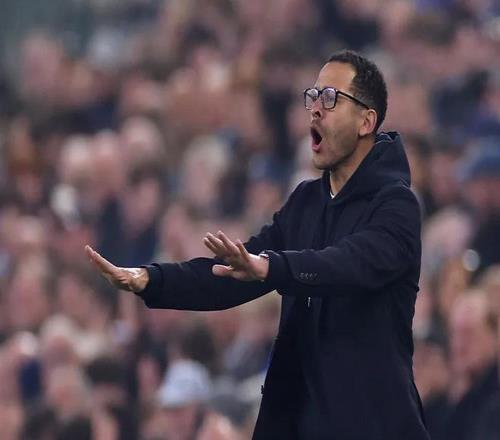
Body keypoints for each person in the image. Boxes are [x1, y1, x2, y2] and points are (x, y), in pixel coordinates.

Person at [86, 50, 430, 439]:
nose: (316, 109)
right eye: (313, 97)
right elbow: (232, 272)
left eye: (331, 98)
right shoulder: (305, 203)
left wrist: (273, 267)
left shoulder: (396, 203)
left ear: (367, 120)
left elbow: (350, 264)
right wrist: (151, 279)